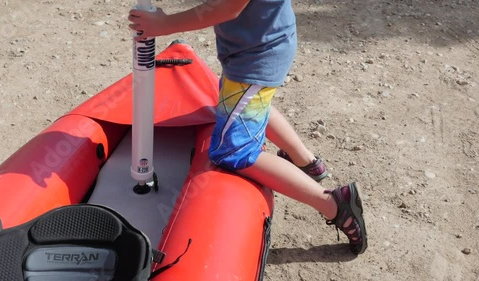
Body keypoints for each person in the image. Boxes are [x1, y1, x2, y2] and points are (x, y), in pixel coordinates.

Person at [128, 0, 367, 255]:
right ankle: (305, 161)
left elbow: (227, 8)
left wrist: (165, 25)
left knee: (230, 152)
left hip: (257, 57)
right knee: (247, 104)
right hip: (255, 48)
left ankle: (333, 204)